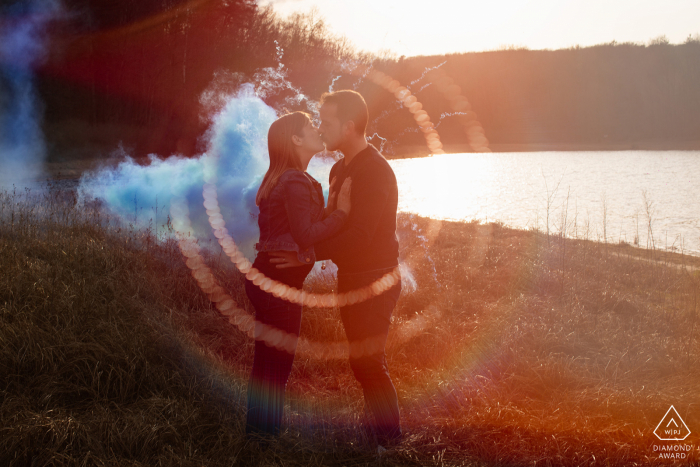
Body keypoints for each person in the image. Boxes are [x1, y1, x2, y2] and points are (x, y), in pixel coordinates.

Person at [271, 90, 402, 447]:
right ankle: (378, 431)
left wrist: (307, 255)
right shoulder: (338, 168)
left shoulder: (374, 170)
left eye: (326, 122)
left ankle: (389, 443)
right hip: (352, 277)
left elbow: (360, 235)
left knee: (369, 363)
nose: (321, 128)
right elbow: (333, 222)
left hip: (375, 279)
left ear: (348, 126)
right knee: (363, 362)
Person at [245, 111, 351, 439]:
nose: (318, 129)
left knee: (268, 361)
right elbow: (306, 234)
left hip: (268, 276)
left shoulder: (288, 177)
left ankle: (259, 434)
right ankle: (264, 438)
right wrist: (343, 211)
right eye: (310, 127)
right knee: (277, 363)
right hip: (278, 282)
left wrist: (330, 201)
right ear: (296, 139)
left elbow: (306, 228)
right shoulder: (294, 179)